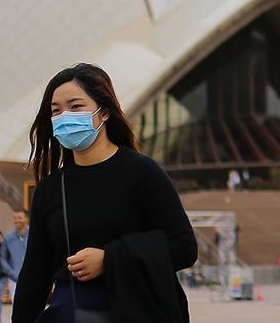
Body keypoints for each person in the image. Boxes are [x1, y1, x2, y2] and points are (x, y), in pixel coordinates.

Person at [11, 63, 198, 323]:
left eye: (76, 107)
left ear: (105, 112)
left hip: (135, 310)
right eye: (56, 111)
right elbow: (34, 274)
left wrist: (110, 259)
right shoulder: (51, 188)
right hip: (70, 313)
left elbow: (184, 247)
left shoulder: (142, 172)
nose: (65, 116)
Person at [0, 210, 30, 304]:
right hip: (14, 278)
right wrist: (10, 272)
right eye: (15, 218)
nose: (17, 220)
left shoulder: (34, 235)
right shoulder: (8, 237)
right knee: (17, 306)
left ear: (26, 219)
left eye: (20, 218)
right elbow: (2, 257)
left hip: (33, 277)